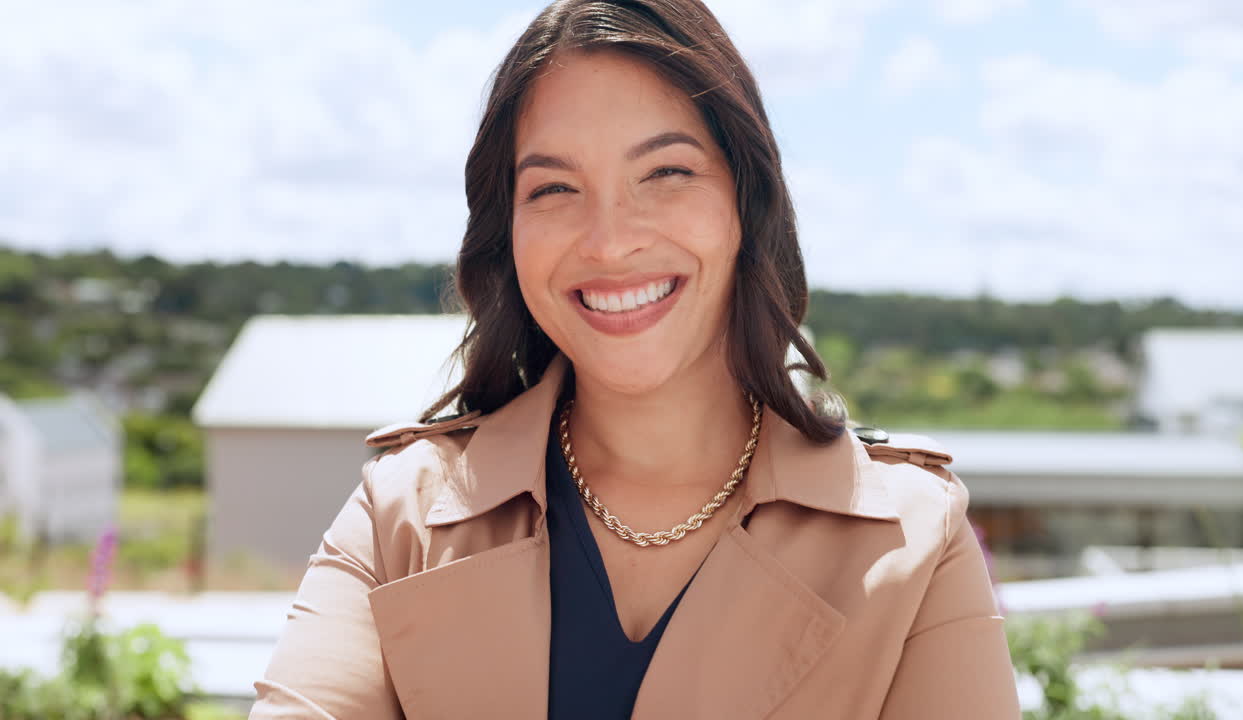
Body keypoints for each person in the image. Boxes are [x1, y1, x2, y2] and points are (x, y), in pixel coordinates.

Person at [248, 0, 1021, 717]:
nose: (611, 241)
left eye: (666, 172)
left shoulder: (912, 540)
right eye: (553, 188)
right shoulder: (400, 518)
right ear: (505, 231)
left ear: (746, 206)